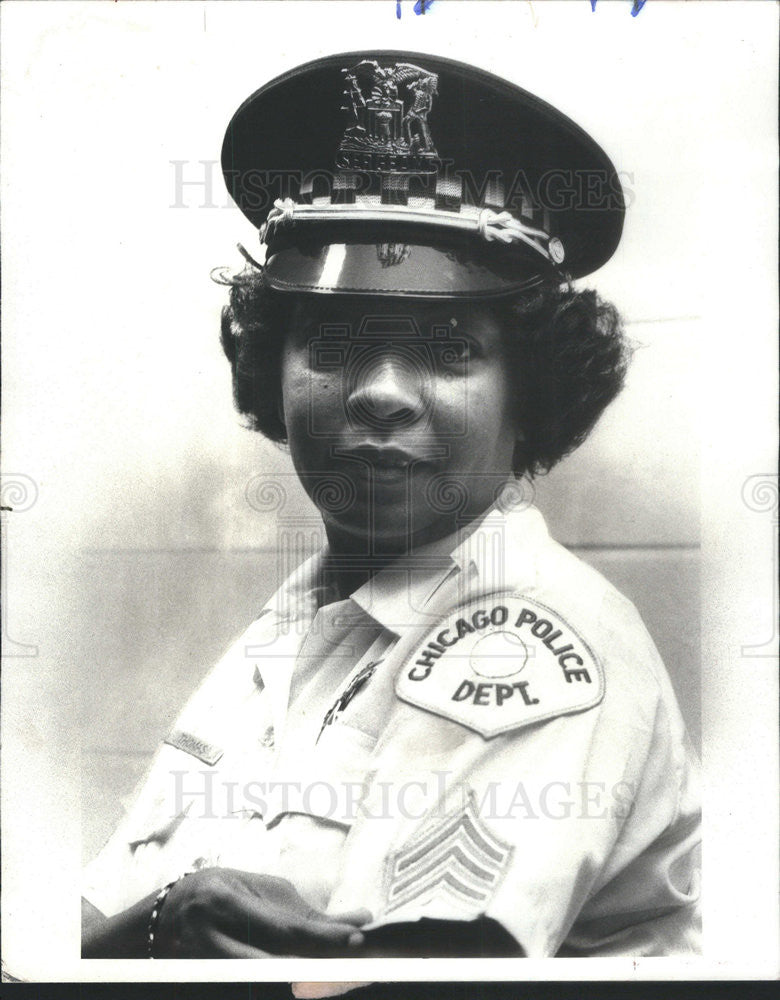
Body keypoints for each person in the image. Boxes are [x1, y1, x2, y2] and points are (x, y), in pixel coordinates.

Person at [81, 50, 701, 959]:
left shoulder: (528, 635)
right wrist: (160, 921)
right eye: (331, 346)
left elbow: (367, 980)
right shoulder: (297, 626)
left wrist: (155, 930)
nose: (379, 393)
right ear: (270, 372)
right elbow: (96, 921)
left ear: (530, 391)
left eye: (447, 352)